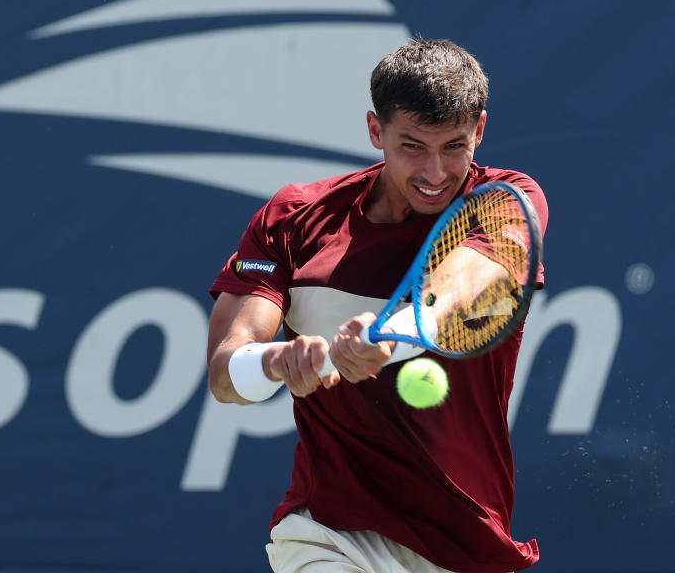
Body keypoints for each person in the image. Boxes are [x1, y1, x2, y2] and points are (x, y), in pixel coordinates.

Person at [207, 38, 548, 573]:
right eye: (412, 146)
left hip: (461, 540)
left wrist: (397, 332)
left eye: (454, 146)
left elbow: (469, 282)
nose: (435, 172)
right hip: (327, 530)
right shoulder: (296, 216)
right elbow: (225, 378)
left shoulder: (506, 200)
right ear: (375, 131)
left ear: (480, 130)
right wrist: (276, 361)